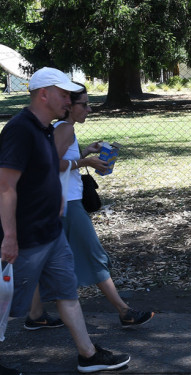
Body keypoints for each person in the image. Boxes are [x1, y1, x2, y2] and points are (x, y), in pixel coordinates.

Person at [0, 67, 130, 374]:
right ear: (43, 94)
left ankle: (88, 354)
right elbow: (5, 186)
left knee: (67, 291)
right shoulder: (20, 129)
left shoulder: (46, 128)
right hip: (26, 234)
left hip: (51, 230)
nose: (70, 101)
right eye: (64, 94)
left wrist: (56, 200)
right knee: (6, 303)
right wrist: (9, 236)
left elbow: (46, 171)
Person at [23, 82, 155, 330]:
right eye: (83, 104)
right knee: (94, 256)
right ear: (69, 106)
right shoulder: (65, 129)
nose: (89, 109)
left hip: (55, 204)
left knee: (43, 261)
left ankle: (35, 314)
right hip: (68, 204)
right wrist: (87, 161)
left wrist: (84, 153)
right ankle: (124, 311)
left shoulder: (61, 128)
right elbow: (50, 164)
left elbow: (59, 159)